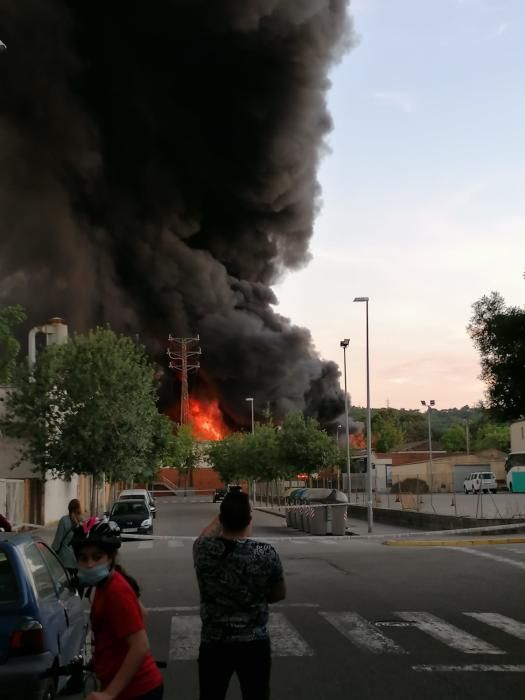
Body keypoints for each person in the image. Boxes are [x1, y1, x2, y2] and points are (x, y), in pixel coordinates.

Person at [193, 491, 286, 700]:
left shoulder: (203, 550)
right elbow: (280, 593)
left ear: (222, 518)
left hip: (214, 643)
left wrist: (226, 510)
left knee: (211, 695)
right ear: (249, 519)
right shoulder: (265, 553)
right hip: (253, 643)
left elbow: (206, 533)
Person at [72, 517, 163, 700]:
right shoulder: (103, 585)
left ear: (111, 558)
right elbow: (139, 616)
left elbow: (140, 646)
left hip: (138, 691)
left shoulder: (115, 590)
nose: (90, 564)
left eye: (97, 557)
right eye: (83, 558)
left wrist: (109, 694)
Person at [52, 498, 83, 576]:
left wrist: (52, 552)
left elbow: (58, 540)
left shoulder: (64, 520)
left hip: (65, 559)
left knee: (66, 582)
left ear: (69, 508)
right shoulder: (81, 521)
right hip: (77, 559)